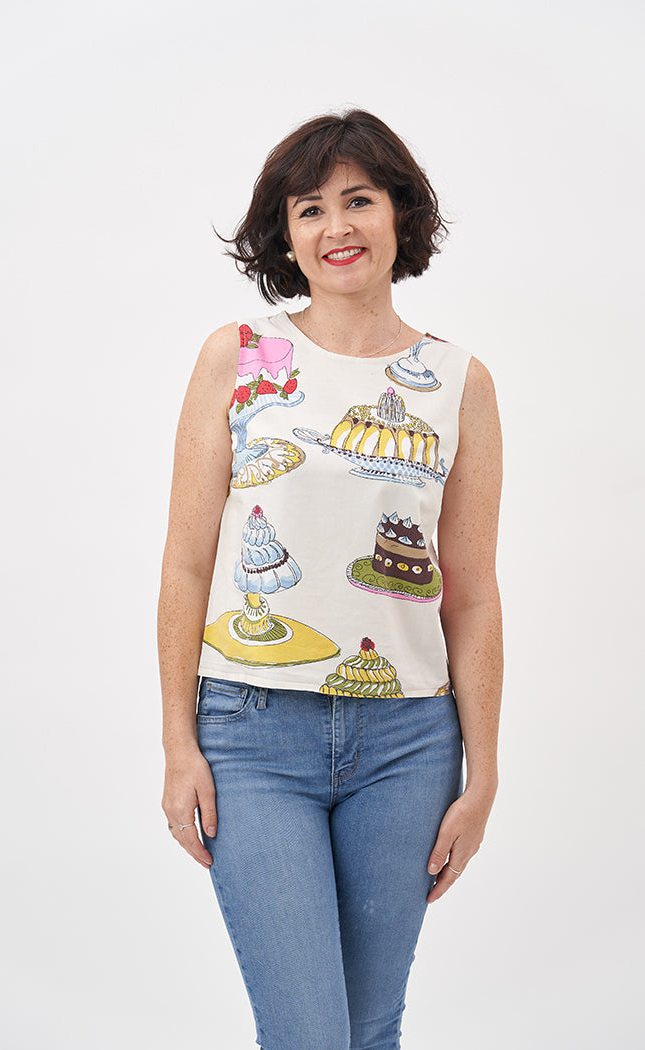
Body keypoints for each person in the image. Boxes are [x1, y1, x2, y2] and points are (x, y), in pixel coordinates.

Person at [158, 109, 502, 1050]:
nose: (336, 227)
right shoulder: (238, 356)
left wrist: (483, 773)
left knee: (369, 1027)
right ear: (285, 234)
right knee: (308, 1032)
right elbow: (186, 561)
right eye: (310, 209)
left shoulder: (458, 382)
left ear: (400, 215)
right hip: (252, 734)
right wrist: (178, 742)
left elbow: (472, 594)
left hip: (409, 742)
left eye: (359, 200)